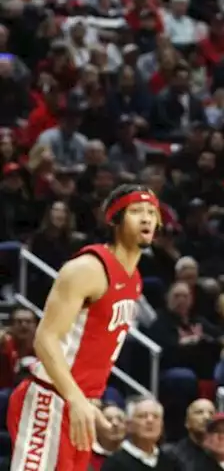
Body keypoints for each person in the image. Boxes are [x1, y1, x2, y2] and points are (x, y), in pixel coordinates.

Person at [7, 184, 159, 471]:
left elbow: (93, 352)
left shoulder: (134, 280)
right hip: (49, 398)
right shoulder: (87, 269)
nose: (147, 218)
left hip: (81, 403)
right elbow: (45, 339)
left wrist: (92, 406)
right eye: (136, 211)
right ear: (115, 220)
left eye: (152, 212)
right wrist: (77, 399)